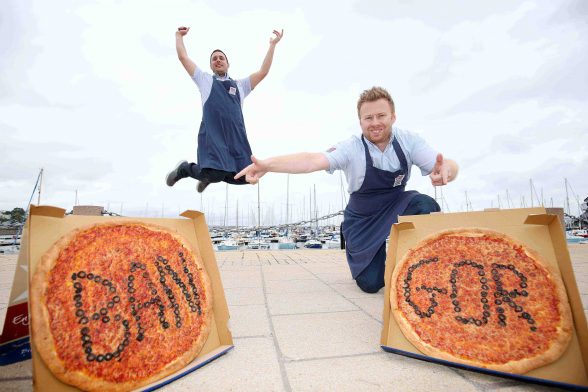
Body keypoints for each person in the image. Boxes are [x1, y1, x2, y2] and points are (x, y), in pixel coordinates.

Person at [235, 86, 459, 293]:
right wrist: (268, 165)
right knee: (371, 284)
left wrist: (448, 169)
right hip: (362, 216)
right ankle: (370, 253)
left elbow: (445, 165)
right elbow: (311, 160)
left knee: (425, 204)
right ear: (360, 122)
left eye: (381, 116)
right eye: (368, 118)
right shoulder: (350, 148)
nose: (375, 122)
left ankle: (415, 269)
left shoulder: (409, 141)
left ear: (393, 117)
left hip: (395, 203)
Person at [166, 26, 284, 192]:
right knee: (215, 173)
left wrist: (273, 45)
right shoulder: (205, 81)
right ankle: (185, 169)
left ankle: (208, 176)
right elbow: (183, 57)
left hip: (235, 139)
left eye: (221, 58)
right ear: (211, 65)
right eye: (214, 59)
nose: (218, 60)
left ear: (228, 63)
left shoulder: (241, 86)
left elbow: (263, 72)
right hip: (214, 137)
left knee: (245, 178)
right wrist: (179, 36)